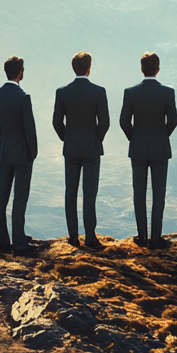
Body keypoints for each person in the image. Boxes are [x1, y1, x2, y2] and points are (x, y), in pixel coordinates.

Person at [120, 52, 177, 249]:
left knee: (139, 193)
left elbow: (124, 122)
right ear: (158, 69)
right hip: (160, 148)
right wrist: (162, 136)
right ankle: (156, 237)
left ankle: (141, 236)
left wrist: (134, 137)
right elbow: (173, 121)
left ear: (141, 68)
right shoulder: (168, 92)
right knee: (159, 193)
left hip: (138, 148)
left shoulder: (130, 92)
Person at [53, 51, 110, 250]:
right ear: (89, 68)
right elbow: (105, 122)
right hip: (91, 148)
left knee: (70, 191)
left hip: (71, 147)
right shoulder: (98, 91)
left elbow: (56, 122)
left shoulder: (62, 92)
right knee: (89, 193)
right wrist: (96, 139)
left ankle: (72, 237)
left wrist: (67, 138)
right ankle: (91, 237)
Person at [0, 55, 38, 256]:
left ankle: (4, 242)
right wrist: (32, 153)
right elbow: (30, 130)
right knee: (20, 198)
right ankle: (20, 243)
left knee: (2, 198)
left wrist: (6, 141)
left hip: (5, 151)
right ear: (20, 72)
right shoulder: (23, 97)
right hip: (22, 154)